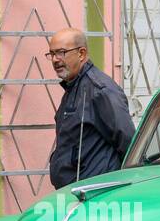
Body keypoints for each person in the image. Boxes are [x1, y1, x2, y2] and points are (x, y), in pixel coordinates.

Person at [46, 28, 135, 188]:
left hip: (94, 194)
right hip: (74, 192)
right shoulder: (74, 87)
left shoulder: (100, 90)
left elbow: (128, 141)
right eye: (52, 54)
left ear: (81, 53)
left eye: (61, 52)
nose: (55, 60)